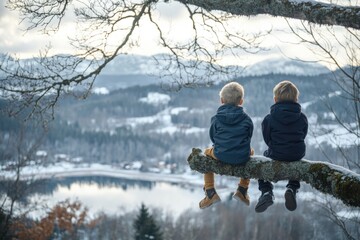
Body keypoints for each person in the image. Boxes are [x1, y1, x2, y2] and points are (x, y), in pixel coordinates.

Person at [255, 80, 308, 213]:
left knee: (261, 163)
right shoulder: (302, 118)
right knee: (297, 163)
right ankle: (292, 187)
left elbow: (267, 139)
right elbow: (303, 134)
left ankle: (266, 190)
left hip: (277, 153)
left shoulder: (269, 118)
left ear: (275, 99)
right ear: (296, 99)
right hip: (297, 153)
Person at [199, 81, 254, 209]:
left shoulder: (216, 119)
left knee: (206, 155)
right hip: (242, 157)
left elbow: (213, 137)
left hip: (220, 154)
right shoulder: (247, 119)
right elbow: (248, 137)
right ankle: (242, 190)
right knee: (251, 152)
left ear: (221, 100)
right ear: (241, 101)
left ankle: (210, 192)